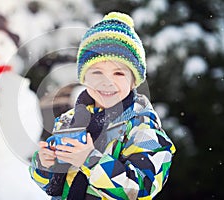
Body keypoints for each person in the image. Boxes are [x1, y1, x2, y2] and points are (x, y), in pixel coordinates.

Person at [29, 12, 176, 200]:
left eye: (119, 74)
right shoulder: (68, 121)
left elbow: (142, 189)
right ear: (83, 78)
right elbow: (52, 186)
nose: (107, 82)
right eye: (97, 72)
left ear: (134, 82)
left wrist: (90, 160)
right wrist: (44, 164)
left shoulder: (143, 128)